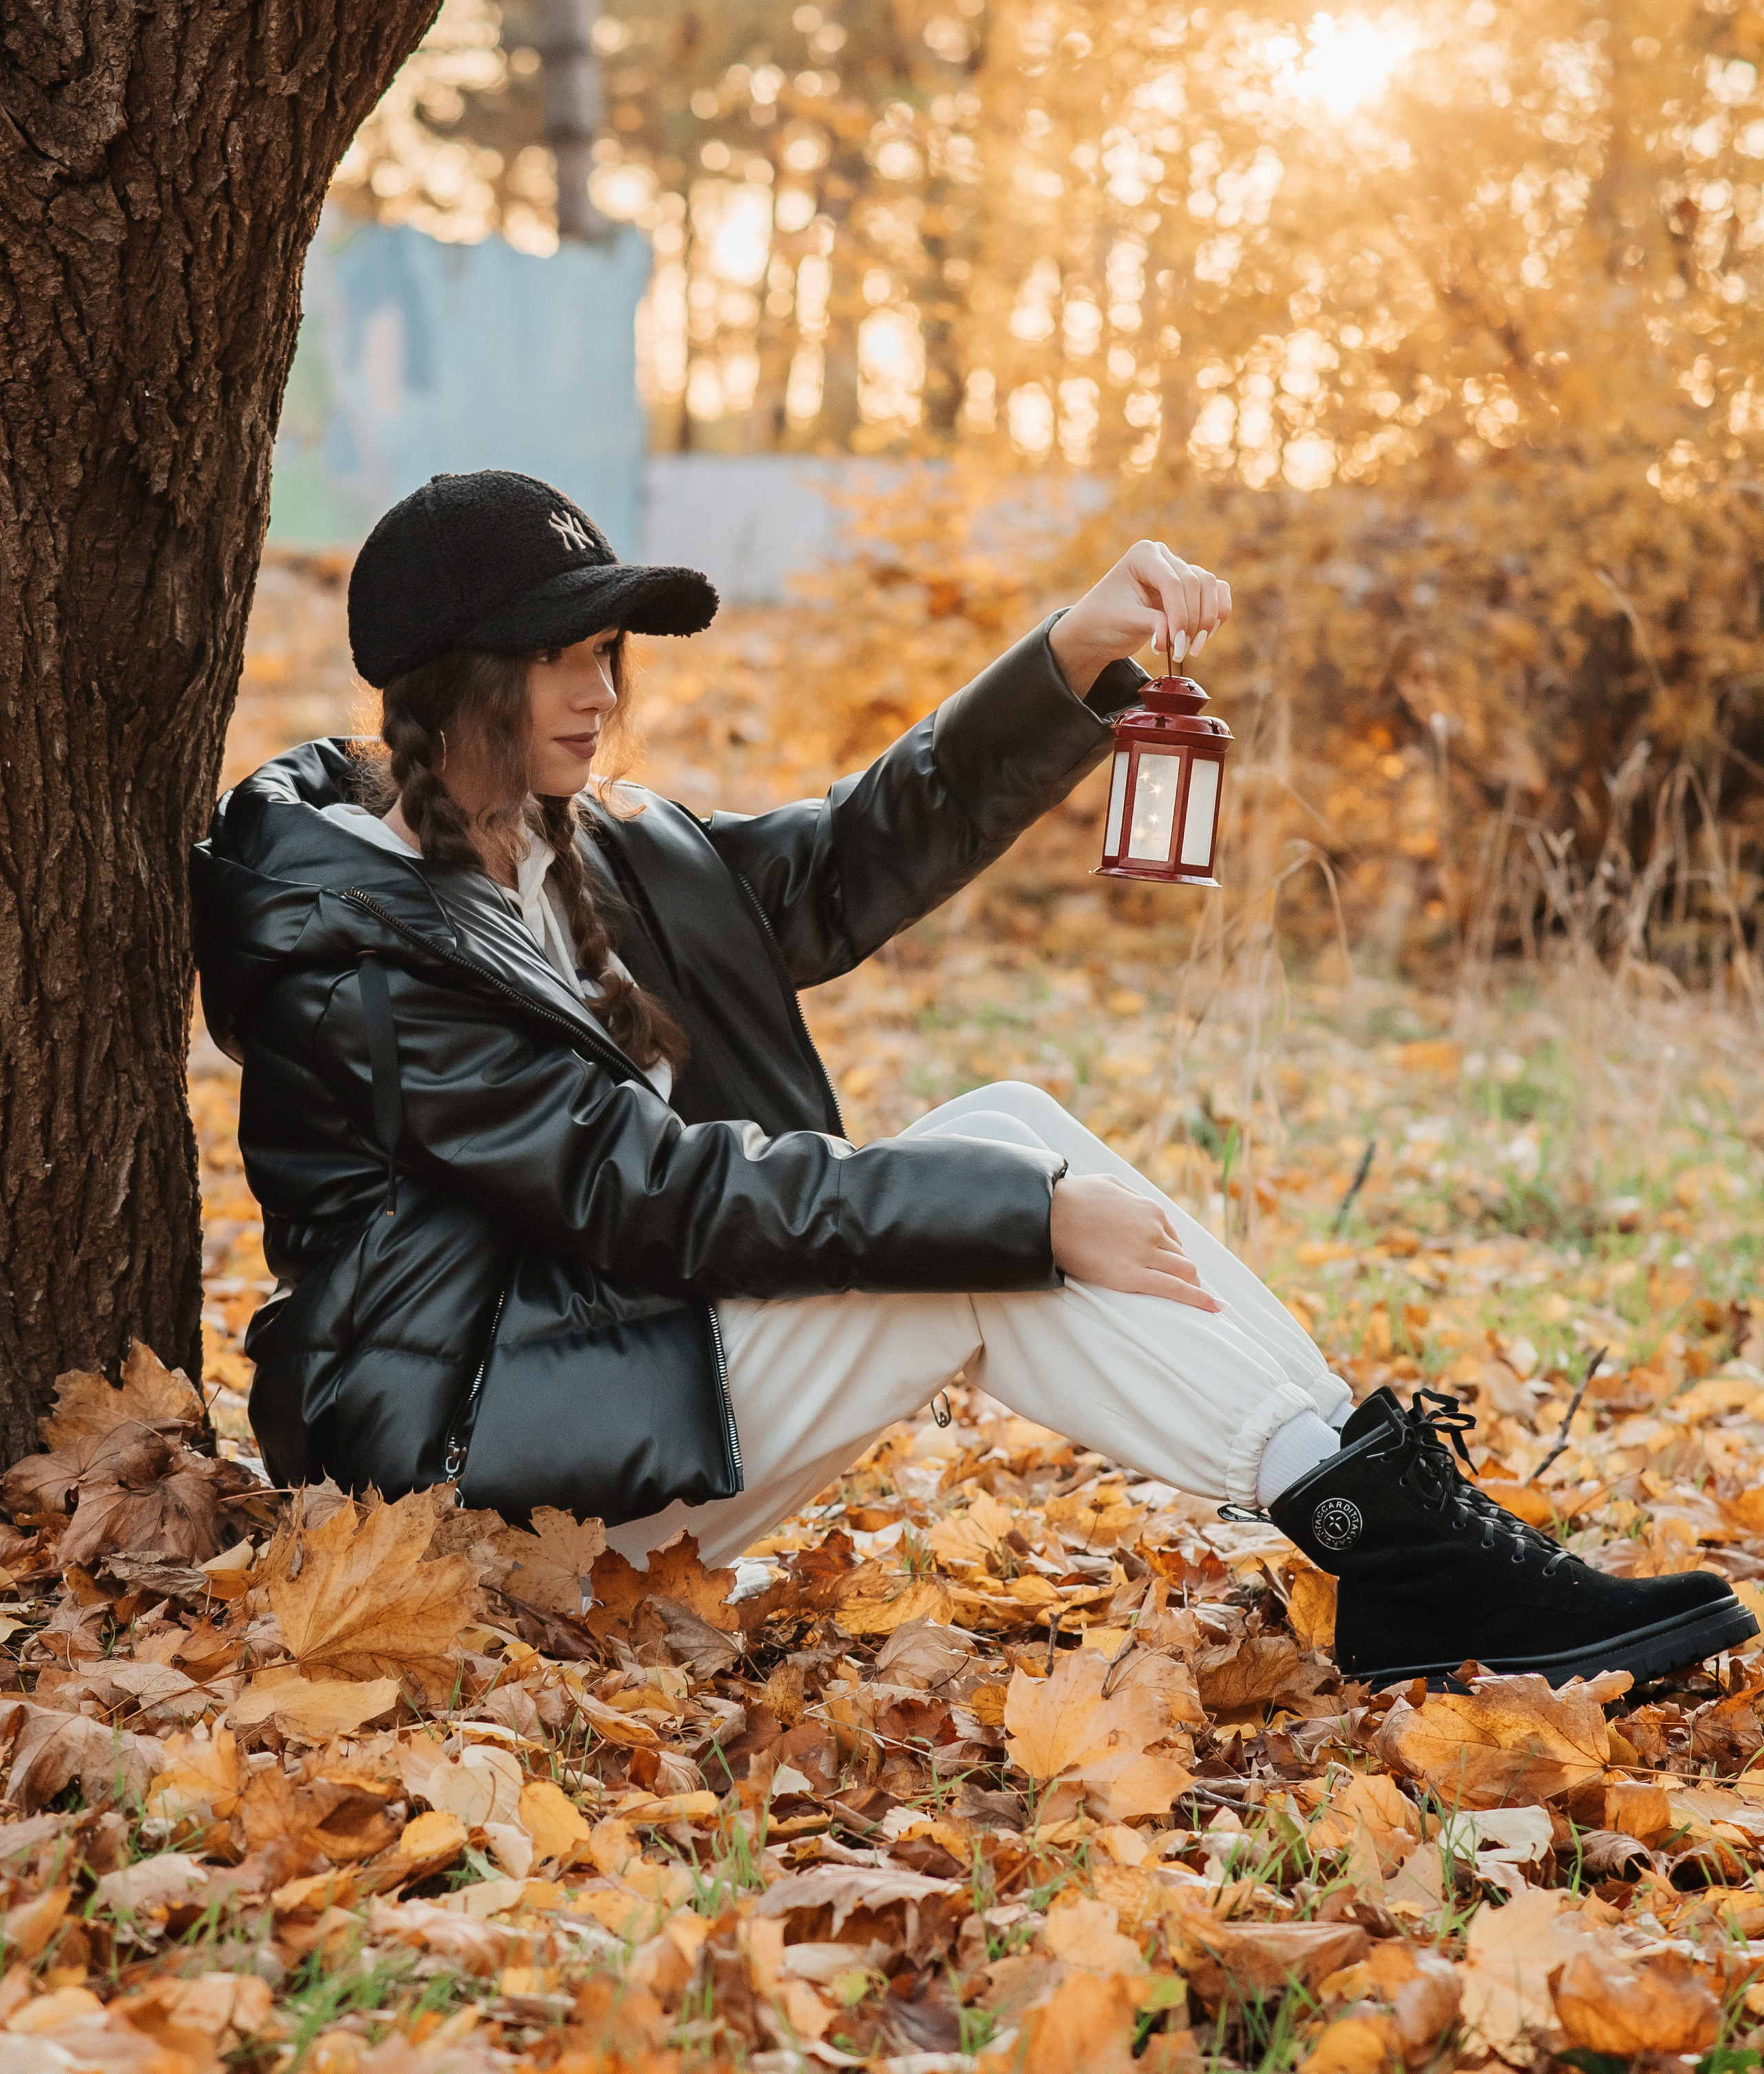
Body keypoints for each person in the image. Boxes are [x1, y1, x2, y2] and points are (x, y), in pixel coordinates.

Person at [192, 470, 1754, 1692]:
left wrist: (1073, 654)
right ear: (452, 678)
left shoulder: (571, 845)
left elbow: (834, 863)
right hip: (469, 1480)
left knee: (1002, 1134)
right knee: (990, 1224)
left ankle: (1387, 1512)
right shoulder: (364, 948)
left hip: (604, 1385)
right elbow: (640, 1190)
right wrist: (1029, 1221)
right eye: (554, 658)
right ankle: (1396, 1544)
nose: (597, 690)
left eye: (606, 650)